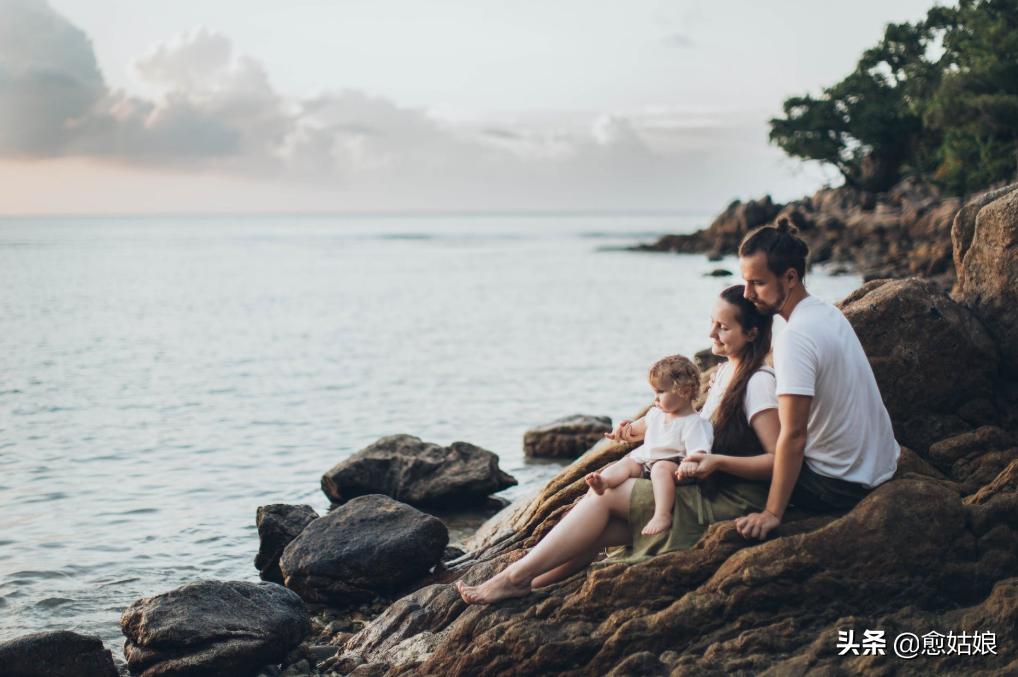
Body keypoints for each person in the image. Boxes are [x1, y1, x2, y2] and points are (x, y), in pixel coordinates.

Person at [457, 285, 780, 604]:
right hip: (703, 485)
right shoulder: (725, 371)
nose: (711, 332)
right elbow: (687, 427)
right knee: (602, 524)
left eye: (723, 327)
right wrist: (638, 432)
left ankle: (513, 579)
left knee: (606, 495)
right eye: (712, 322)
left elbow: (778, 461)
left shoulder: (758, 383)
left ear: (751, 333)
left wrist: (718, 463)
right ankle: (533, 583)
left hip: (729, 499)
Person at [733, 217, 900, 541]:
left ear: (790, 277)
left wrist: (772, 513)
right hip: (881, 466)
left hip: (839, 485)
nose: (747, 293)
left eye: (757, 283)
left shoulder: (794, 337)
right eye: (745, 282)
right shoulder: (825, 312)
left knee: (735, 452)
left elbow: (794, 436)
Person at [584, 355, 713, 536]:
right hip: (646, 463)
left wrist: (690, 463)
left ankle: (662, 514)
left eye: (660, 392)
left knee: (661, 468)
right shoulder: (656, 414)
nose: (655, 399)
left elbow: (699, 450)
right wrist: (622, 430)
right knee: (627, 463)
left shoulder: (694, 423)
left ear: (684, 391)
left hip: (675, 468)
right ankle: (605, 482)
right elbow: (635, 429)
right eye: (654, 393)